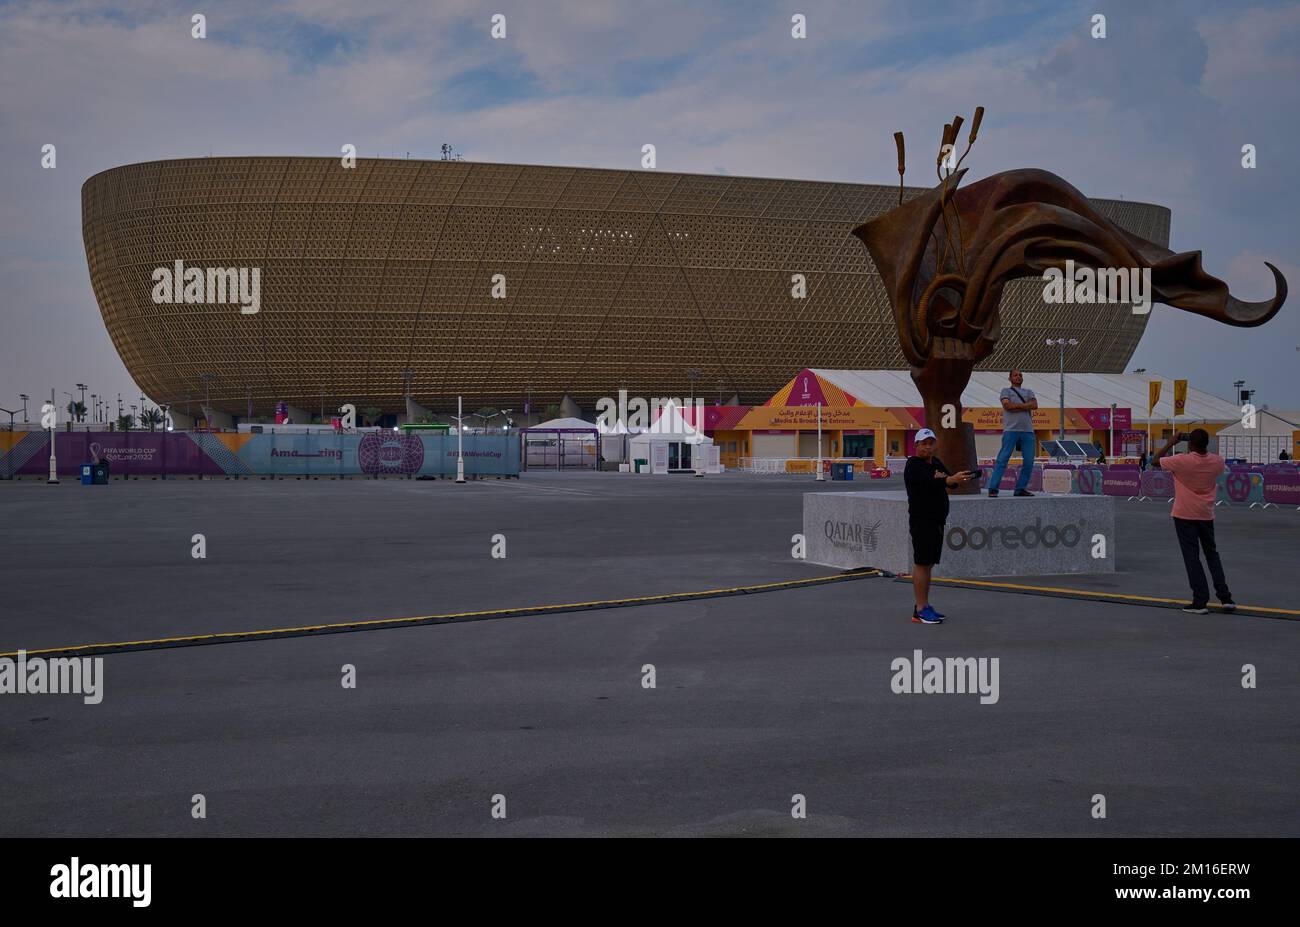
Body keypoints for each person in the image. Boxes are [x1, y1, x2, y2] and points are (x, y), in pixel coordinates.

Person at [1154, 428, 1235, 614]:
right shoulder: (1217, 461)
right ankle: (1225, 597)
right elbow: (1218, 466)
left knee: (1192, 557)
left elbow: (1155, 461)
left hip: (1184, 514)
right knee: (1212, 554)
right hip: (1206, 514)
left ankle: (1200, 601)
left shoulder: (1182, 460)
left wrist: (1170, 443)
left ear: (1190, 443)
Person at [904, 428, 978, 624]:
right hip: (922, 520)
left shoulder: (935, 462)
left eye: (931, 443)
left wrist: (956, 478)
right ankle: (920, 609)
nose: (928, 447)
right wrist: (944, 479)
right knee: (921, 563)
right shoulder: (913, 465)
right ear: (917, 445)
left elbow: (948, 481)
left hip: (937, 520)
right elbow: (931, 482)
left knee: (928, 563)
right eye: (924, 443)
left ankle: (924, 606)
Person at [987, 369, 1037, 497]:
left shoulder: (1029, 391)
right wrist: (1025, 405)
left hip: (1028, 431)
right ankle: (993, 488)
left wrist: (1016, 406)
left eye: (1020, 375)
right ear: (1010, 378)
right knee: (1002, 459)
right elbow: (1007, 406)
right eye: (1015, 375)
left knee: (1029, 461)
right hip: (1011, 430)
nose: (1018, 377)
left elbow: (1035, 405)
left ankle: (1020, 488)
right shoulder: (1006, 391)